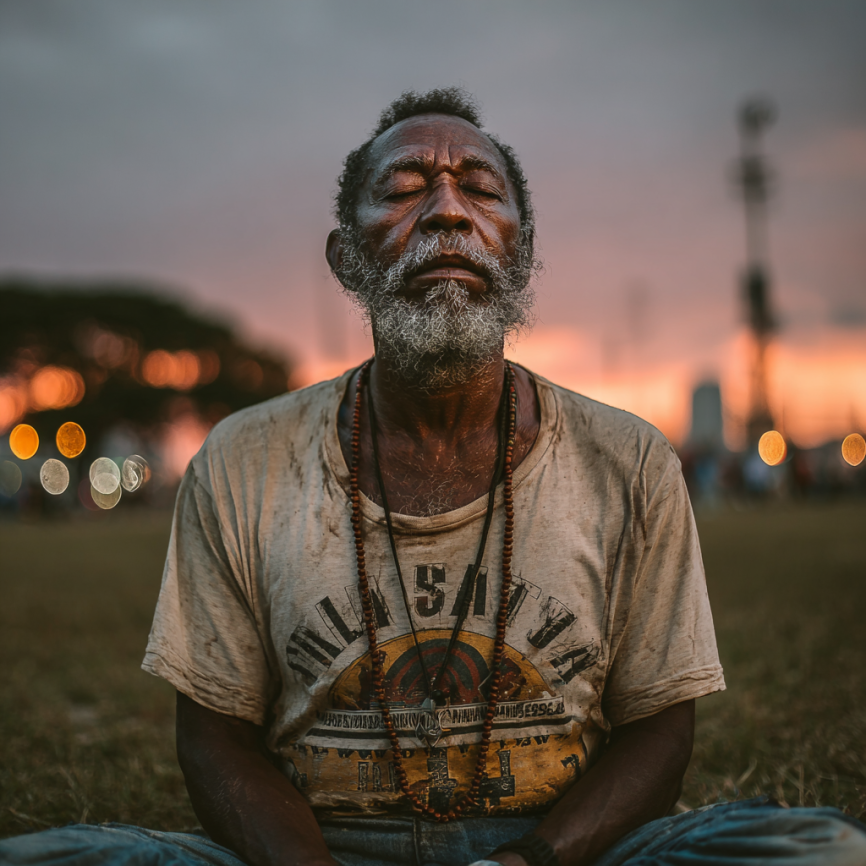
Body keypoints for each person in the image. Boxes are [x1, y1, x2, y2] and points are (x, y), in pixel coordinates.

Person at [2, 87, 864, 866]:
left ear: (522, 250)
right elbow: (214, 738)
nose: (448, 211)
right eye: (405, 188)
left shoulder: (630, 461)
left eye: (480, 189)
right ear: (347, 258)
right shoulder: (241, 460)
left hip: (559, 851)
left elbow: (660, 730)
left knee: (818, 849)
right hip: (318, 848)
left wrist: (527, 862)